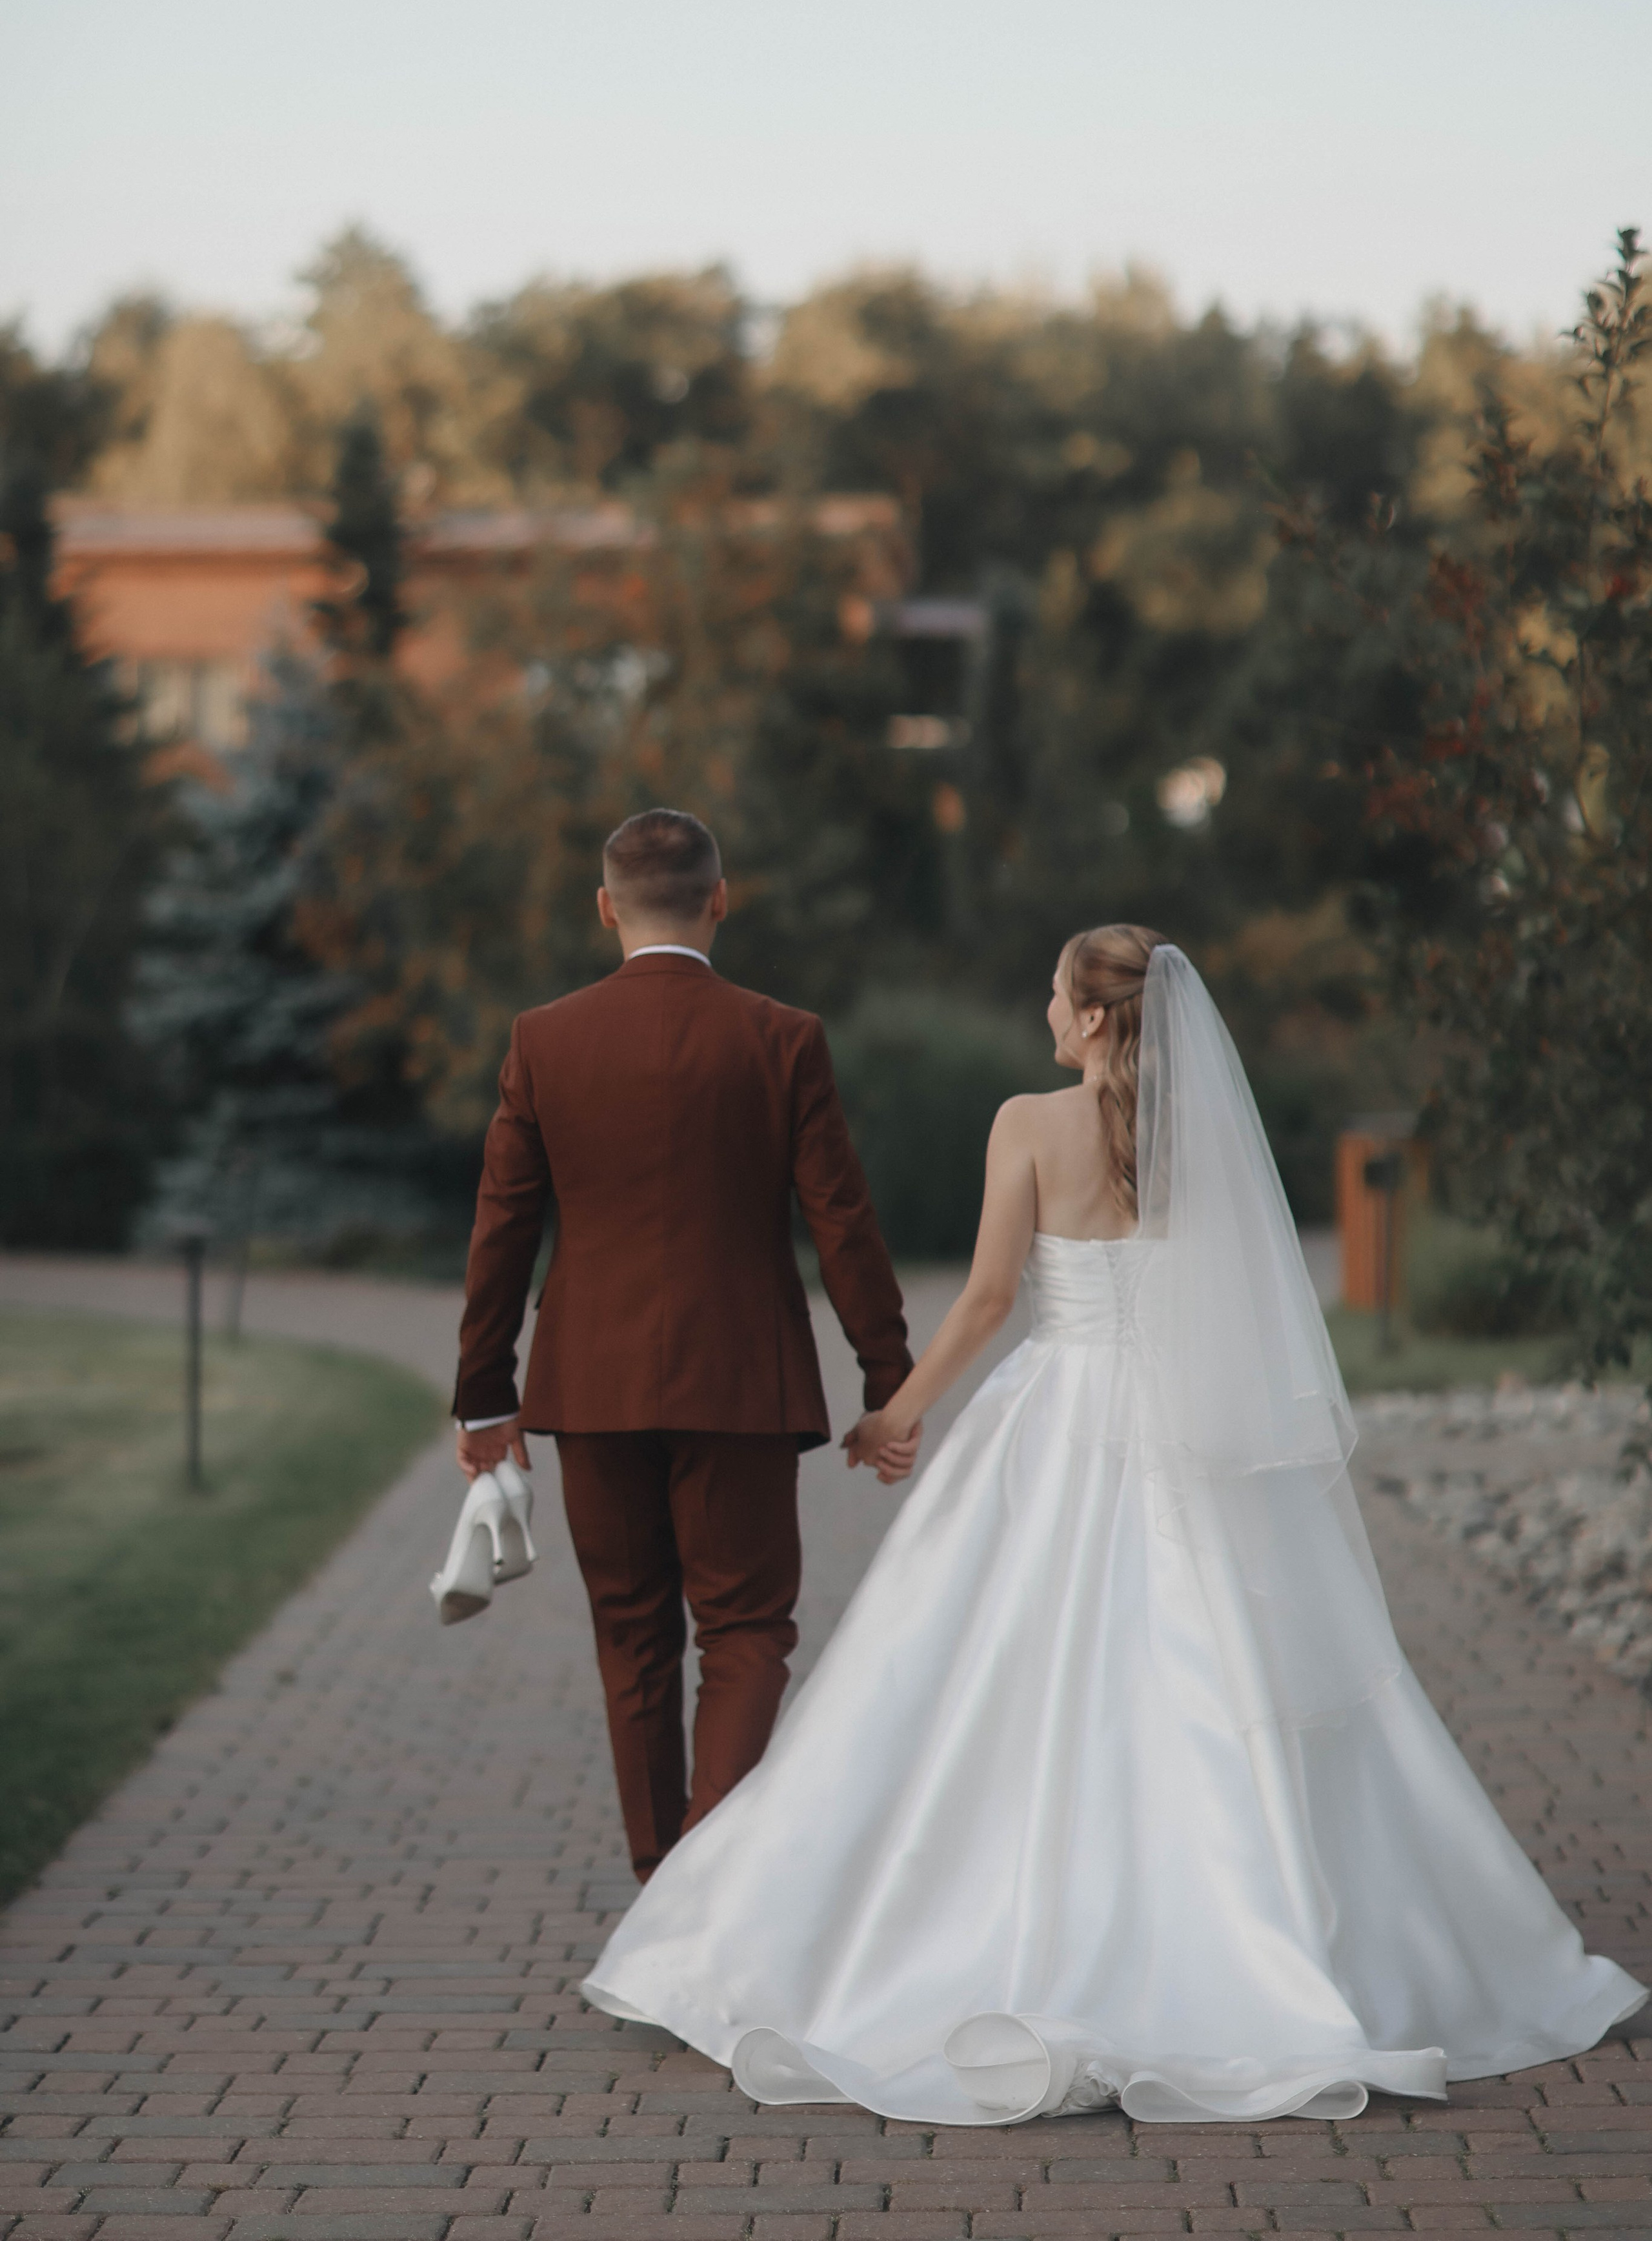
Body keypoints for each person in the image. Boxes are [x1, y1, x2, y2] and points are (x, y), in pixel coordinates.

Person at [583, 926, 1646, 2125]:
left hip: (1055, 1421)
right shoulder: (1193, 1139)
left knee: (981, 1672)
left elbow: (989, 1300)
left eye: (1053, 993)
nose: (1043, 1009)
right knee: (1218, 1669)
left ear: (1093, 1020)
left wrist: (897, 1417)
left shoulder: (1027, 1125)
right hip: (1187, 1436)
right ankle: (1288, 1943)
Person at [451, 807, 912, 1881]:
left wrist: (485, 1397)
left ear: (605, 908)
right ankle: (710, 1901)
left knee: (634, 1639)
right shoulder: (782, 1036)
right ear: (720, 898)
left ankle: (665, 1890)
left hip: (593, 1385)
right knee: (747, 1633)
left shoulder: (544, 1039)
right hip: (742, 1385)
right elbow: (841, 1219)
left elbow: (502, 1226)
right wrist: (887, 1378)